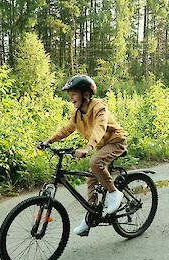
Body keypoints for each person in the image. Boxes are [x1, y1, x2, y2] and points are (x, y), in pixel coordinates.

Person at [41, 75, 127, 235]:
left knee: (95, 163)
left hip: (115, 142)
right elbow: (66, 129)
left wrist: (88, 147)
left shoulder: (99, 108)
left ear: (86, 95)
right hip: (101, 145)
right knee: (91, 178)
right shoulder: (78, 114)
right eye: (70, 95)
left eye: (74, 94)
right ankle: (91, 216)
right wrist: (48, 141)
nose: (71, 98)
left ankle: (114, 192)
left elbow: (100, 127)